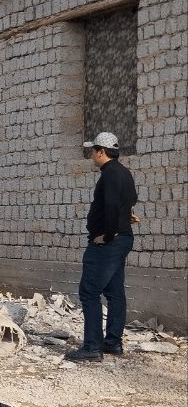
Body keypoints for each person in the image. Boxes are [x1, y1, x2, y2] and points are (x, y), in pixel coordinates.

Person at [66, 131, 138, 363]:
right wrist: (125, 217)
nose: (92, 156)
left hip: (109, 244)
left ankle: (92, 348)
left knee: (89, 292)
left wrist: (106, 236)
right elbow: (130, 200)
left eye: (93, 152)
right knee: (115, 292)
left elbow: (111, 204)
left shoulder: (109, 175)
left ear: (101, 152)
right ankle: (113, 343)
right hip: (122, 239)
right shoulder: (123, 173)